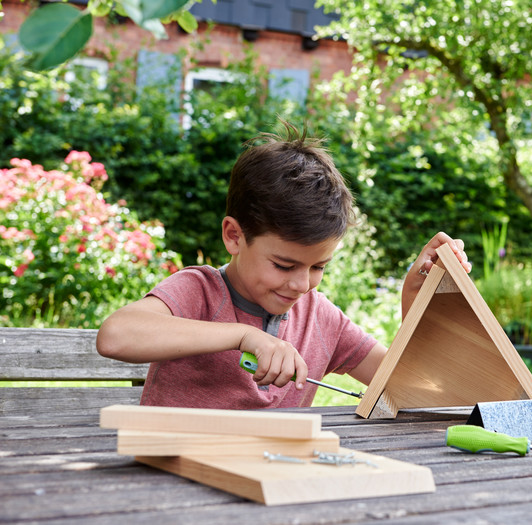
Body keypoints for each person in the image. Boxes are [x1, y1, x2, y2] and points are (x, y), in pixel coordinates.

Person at [96, 121, 471, 409]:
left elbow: (415, 390)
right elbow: (116, 335)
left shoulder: (320, 320)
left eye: (318, 267)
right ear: (234, 236)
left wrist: (418, 300)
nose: (302, 285)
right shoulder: (199, 292)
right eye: (283, 265)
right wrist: (244, 336)